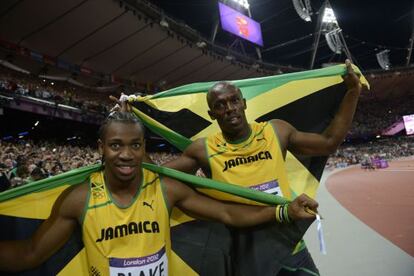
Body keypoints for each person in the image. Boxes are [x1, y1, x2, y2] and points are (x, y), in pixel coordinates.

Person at [109, 60, 361, 275]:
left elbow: (328, 142)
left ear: (244, 103)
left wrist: (352, 92)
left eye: (233, 101)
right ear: (211, 113)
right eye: (220, 105)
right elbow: (158, 178)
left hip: (287, 243)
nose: (228, 108)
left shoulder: (276, 130)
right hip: (242, 250)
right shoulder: (203, 149)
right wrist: (130, 127)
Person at [0, 112, 318, 275]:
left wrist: (284, 211)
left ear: (143, 149)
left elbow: (226, 212)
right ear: (101, 148)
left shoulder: (165, 189)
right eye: (116, 145)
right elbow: (30, 254)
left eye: (134, 145)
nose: (125, 154)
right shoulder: (78, 198)